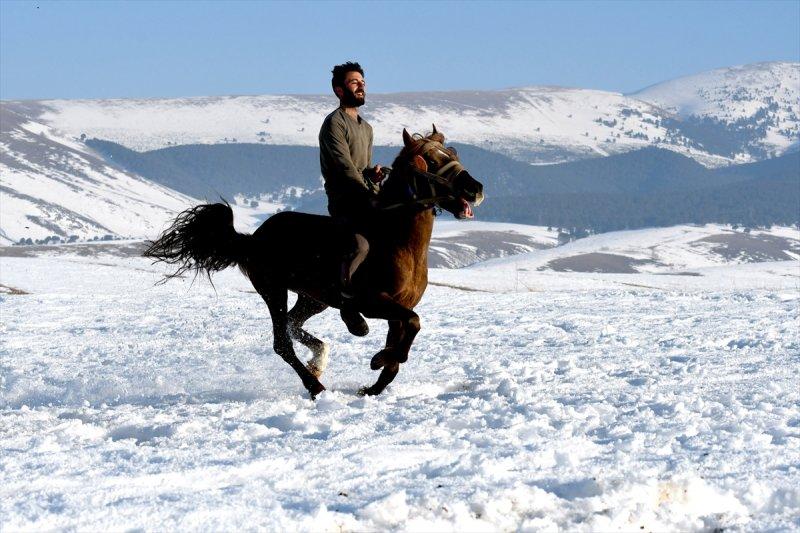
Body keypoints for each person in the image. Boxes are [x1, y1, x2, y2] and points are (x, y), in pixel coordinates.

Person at [319, 61, 385, 334]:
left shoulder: (366, 128)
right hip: (345, 199)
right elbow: (345, 168)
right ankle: (347, 303)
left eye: (363, 82)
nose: (361, 86)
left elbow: (362, 168)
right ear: (339, 89)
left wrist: (374, 175)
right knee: (360, 246)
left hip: (367, 195)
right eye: (354, 82)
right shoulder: (334, 123)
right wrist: (367, 192)